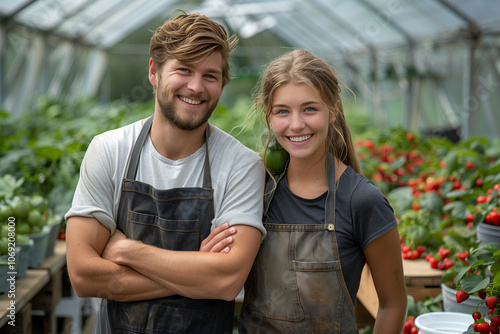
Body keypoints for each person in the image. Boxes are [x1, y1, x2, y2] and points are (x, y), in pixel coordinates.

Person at [64, 10, 266, 334]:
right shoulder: (110, 150)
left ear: (223, 84)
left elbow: (226, 281)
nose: (196, 87)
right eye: (183, 70)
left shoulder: (241, 166)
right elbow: (83, 276)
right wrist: (197, 274)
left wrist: (126, 250)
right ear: (154, 71)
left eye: (211, 76)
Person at [238, 49, 407, 333]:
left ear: (334, 110)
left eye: (310, 109)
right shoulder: (256, 189)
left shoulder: (362, 201)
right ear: (268, 116)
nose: (296, 124)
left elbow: (393, 304)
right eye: (282, 111)